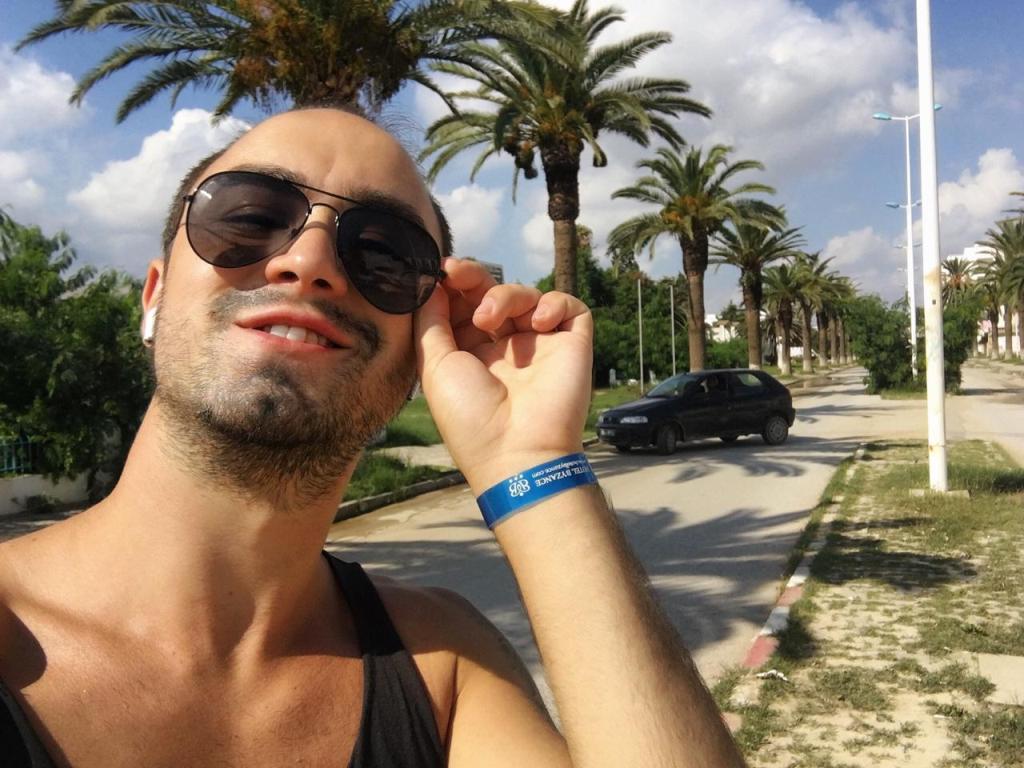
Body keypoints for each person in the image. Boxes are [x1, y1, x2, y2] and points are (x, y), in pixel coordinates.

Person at [0, 106, 746, 768]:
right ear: (155, 296)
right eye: (250, 216)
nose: (309, 262)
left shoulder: (442, 669)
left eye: (384, 254)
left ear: (421, 346)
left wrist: (531, 457)